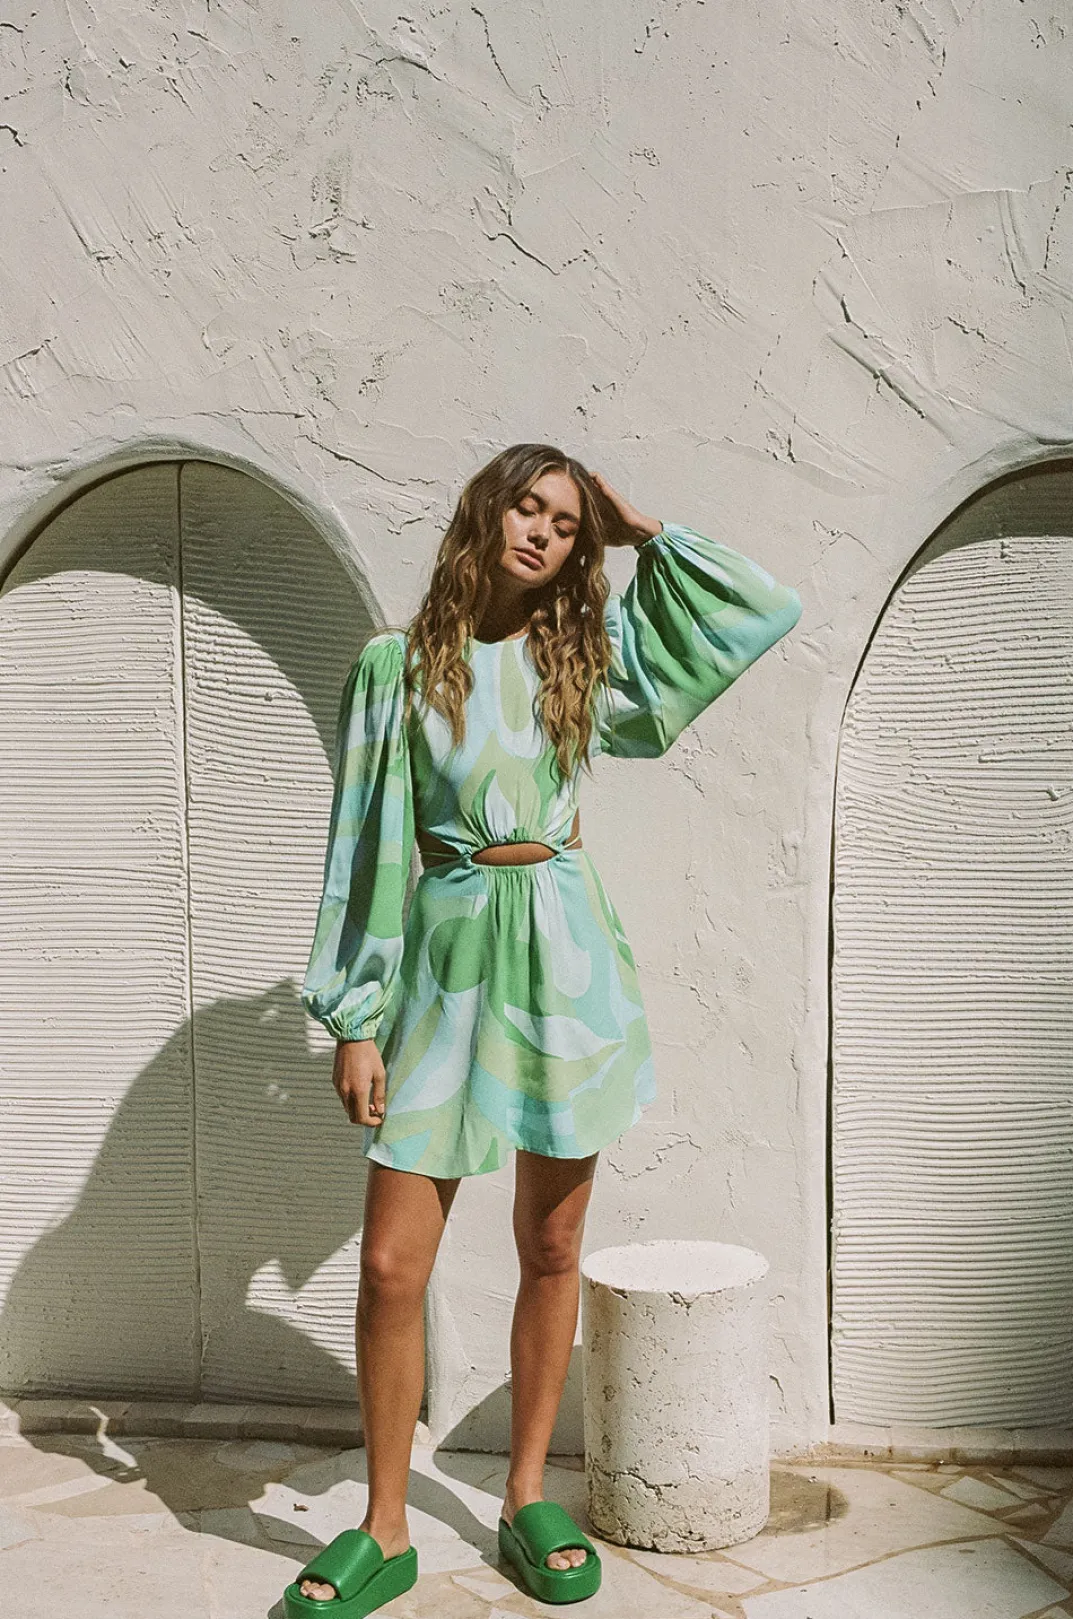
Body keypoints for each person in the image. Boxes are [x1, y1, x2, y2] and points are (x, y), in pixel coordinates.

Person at [282, 444, 802, 1615]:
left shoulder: (581, 662)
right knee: (390, 1261)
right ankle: (383, 1522)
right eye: (529, 507)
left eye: (567, 524)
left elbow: (756, 611)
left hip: (562, 957)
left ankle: (523, 1496)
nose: (543, 533)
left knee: (552, 1244)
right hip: (442, 961)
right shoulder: (395, 667)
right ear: (486, 508)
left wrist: (642, 528)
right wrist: (355, 1017)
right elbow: (362, 845)